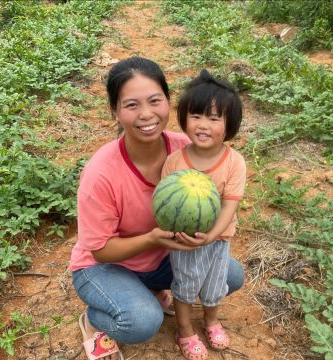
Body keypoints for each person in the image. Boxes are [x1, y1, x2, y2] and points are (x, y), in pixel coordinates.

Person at [70, 57, 245, 360]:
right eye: (132, 105)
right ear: (114, 111)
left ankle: (151, 290)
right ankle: (95, 318)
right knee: (142, 321)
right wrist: (152, 238)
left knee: (230, 275)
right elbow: (99, 251)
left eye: (155, 101)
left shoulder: (186, 149)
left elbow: (225, 176)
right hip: (104, 266)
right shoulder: (101, 173)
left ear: (168, 101)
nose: (146, 114)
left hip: (162, 257)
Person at [160, 69, 246, 360]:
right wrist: (187, 236)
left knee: (214, 286)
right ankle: (184, 329)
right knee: (184, 286)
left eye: (214, 118)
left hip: (219, 240)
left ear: (229, 124)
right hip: (185, 241)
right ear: (184, 118)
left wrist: (210, 235)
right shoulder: (175, 162)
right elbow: (165, 206)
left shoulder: (234, 162)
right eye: (196, 116)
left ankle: (211, 321)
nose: (203, 125)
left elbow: (229, 206)